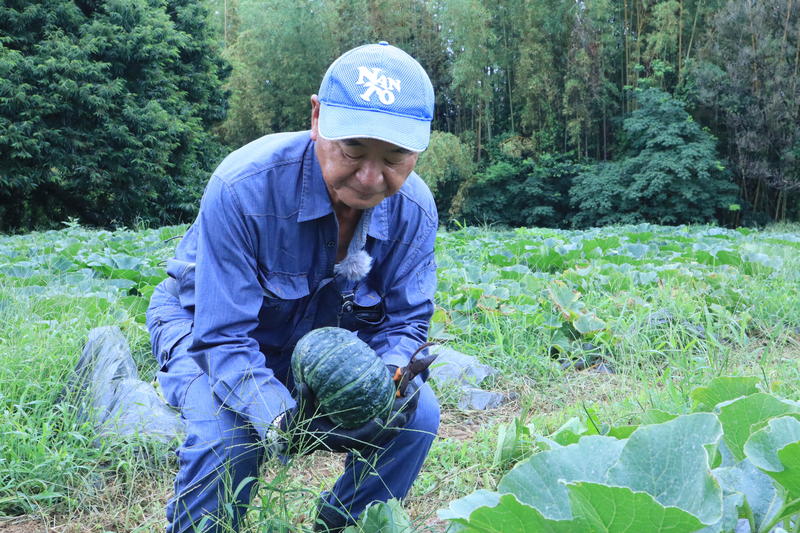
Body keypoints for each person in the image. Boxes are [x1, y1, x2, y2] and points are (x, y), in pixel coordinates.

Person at [145, 42, 440, 532]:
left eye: (396, 157)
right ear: (318, 117)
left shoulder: (415, 209)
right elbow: (222, 337)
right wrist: (282, 421)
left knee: (416, 414)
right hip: (208, 331)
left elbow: (407, 323)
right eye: (353, 150)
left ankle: (341, 525)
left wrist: (384, 381)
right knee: (229, 441)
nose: (370, 177)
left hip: (316, 344)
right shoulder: (243, 187)